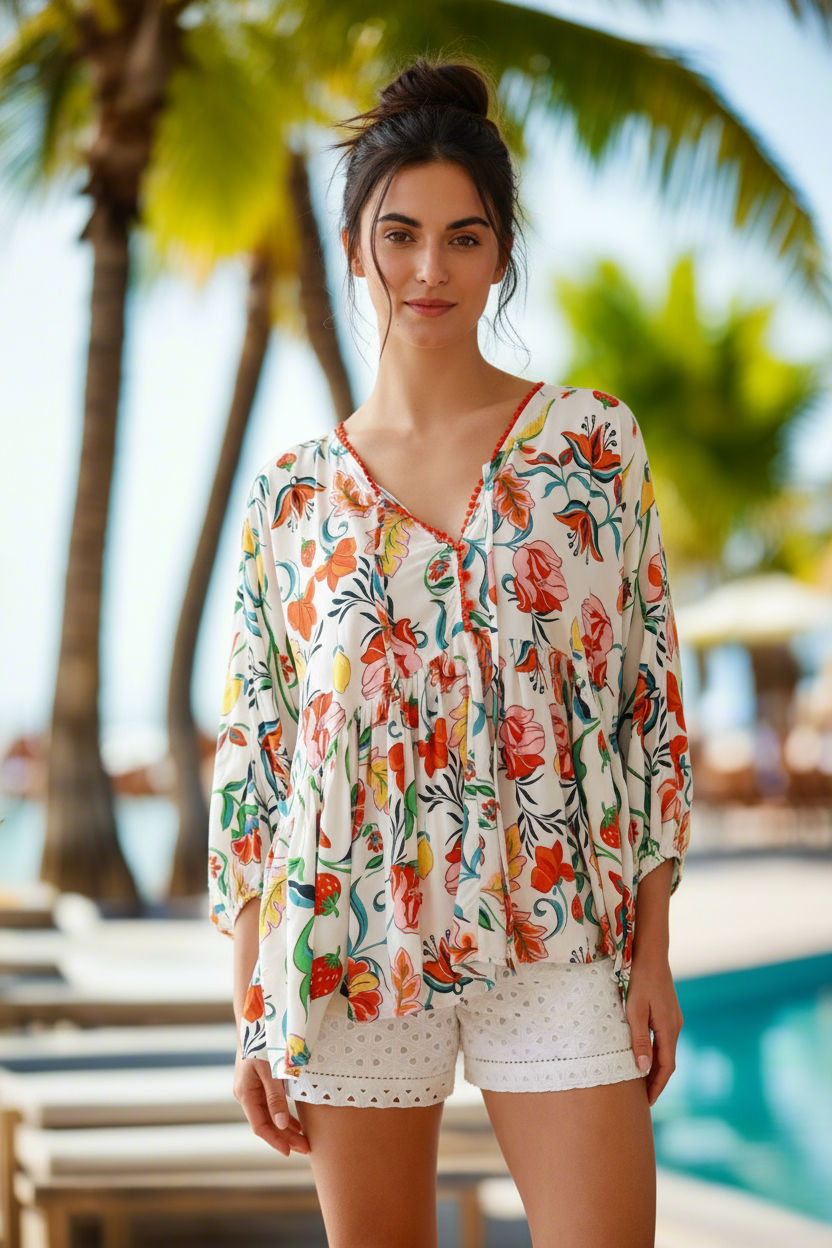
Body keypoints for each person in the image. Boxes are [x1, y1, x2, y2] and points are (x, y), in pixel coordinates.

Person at [208, 56, 692, 1248]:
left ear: (500, 253)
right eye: (401, 234)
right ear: (353, 244)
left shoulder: (587, 445)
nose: (430, 269)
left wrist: (653, 952)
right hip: (347, 947)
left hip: (559, 930)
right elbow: (260, 756)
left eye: (464, 238)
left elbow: (646, 702)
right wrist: (253, 1005)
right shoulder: (290, 499)